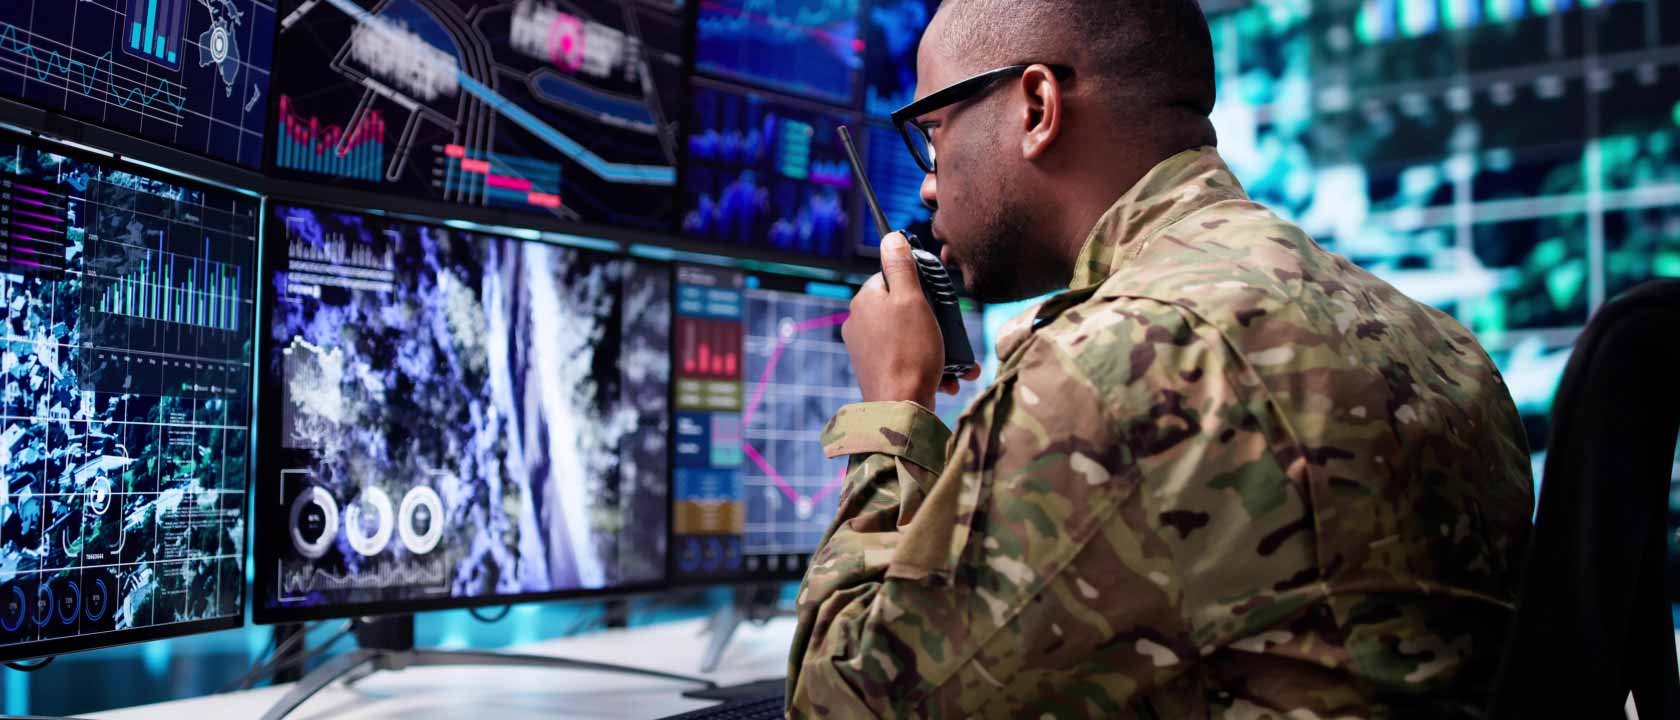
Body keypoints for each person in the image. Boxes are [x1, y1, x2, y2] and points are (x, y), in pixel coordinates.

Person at [786, 0, 1535, 717]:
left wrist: (893, 407)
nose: (925, 181)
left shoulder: (1117, 360)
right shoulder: (1434, 338)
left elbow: (842, 703)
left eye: (935, 131)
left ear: (1037, 108)